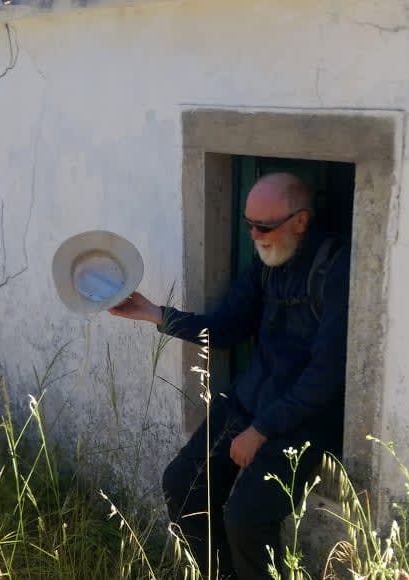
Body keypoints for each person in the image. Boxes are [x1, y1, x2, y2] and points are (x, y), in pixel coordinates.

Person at [108, 172, 350, 579]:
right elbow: (228, 326)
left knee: (246, 518)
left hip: (303, 419)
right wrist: (156, 315)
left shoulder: (336, 269)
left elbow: (325, 376)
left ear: (301, 221)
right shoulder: (266, 259)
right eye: (248, 224)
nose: (255, 235)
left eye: (264, 226)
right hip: (251, 398)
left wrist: (261, 429)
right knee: (182, 485)